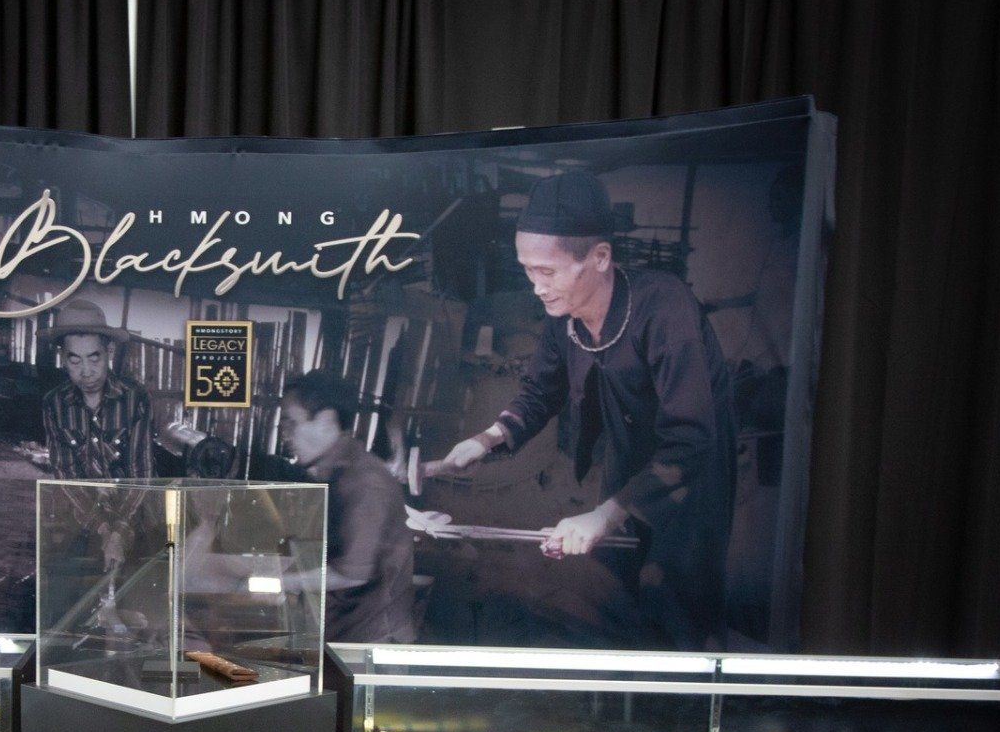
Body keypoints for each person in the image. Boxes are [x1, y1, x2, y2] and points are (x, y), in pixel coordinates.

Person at [427, 170, 736, 649]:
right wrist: (485, 440)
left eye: (546, 272)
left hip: (687, 480)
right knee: (612, 597)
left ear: (600, 258)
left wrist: (605, 516)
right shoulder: (564, 316)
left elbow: (691, 438)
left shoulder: (665, 308)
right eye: (528, 271)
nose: (536, 287)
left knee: (673, 607)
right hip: (626, 469)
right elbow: (539, 392)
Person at [281, 371, 418, 643]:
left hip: (372, 643)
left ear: (325, 421)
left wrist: (273, 583)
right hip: (345, 631)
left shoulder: (365, 482)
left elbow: (351, 574)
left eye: (291, 423)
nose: (285, 435)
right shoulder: (333, 473)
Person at [41, 300, 153, 481]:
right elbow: (65, 474)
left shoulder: (135, 399)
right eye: (75, 361)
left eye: (94, 359)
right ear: (63, 358)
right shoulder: (54, 404)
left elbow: (141, 472)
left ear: (110, 351)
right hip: (78, 498)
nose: (86, 371)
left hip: (129, 497)